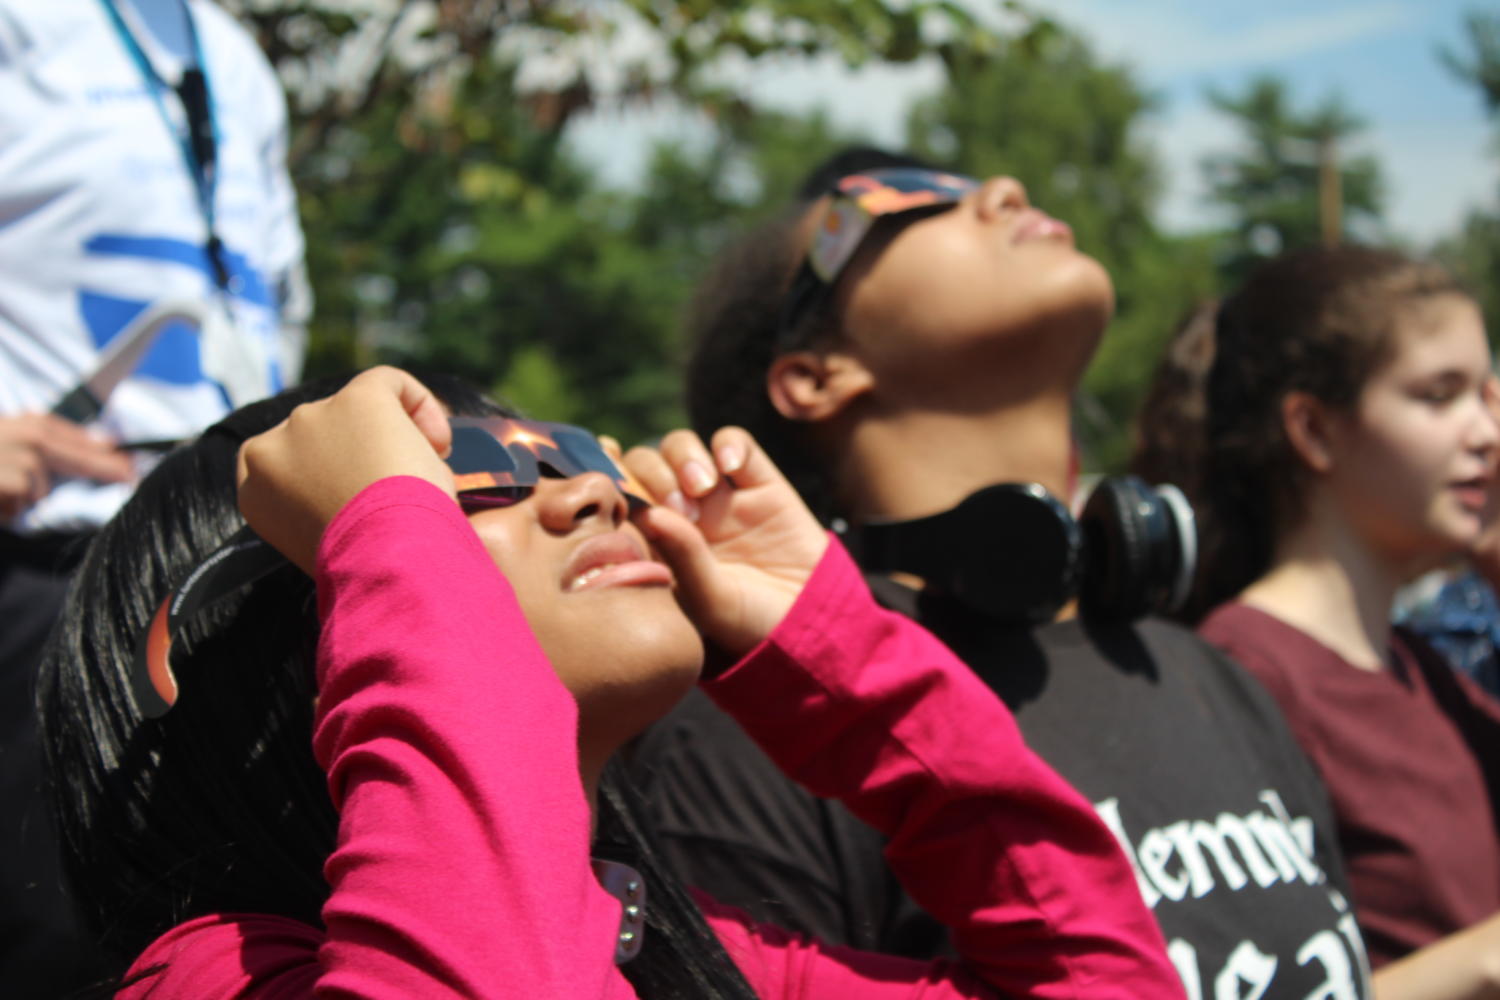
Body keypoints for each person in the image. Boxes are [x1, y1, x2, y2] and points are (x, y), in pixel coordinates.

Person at [37, 366, 1183, 997]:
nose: (596, 496)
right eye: (458, 482)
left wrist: (832, 647)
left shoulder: (698, 962)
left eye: (573, 456)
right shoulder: (214, 978)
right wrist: (399, 546)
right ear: (206, 640)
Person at [630, 147, 1375, 998]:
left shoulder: (1210, 676)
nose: (1006, 188)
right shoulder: (766, 722)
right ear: (816, 375)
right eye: (901, 203)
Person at [0, 2, 308, 990]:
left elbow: (275, 304)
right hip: (46, 566)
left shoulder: (232, 54)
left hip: (227, 572)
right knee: (59, 948)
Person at [1192, 246, 1500, 991]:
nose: (1487, 434)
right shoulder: (1244, 675)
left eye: (1486, 397)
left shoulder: (1422, 671)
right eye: (1439, 395)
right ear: (1315, 430)